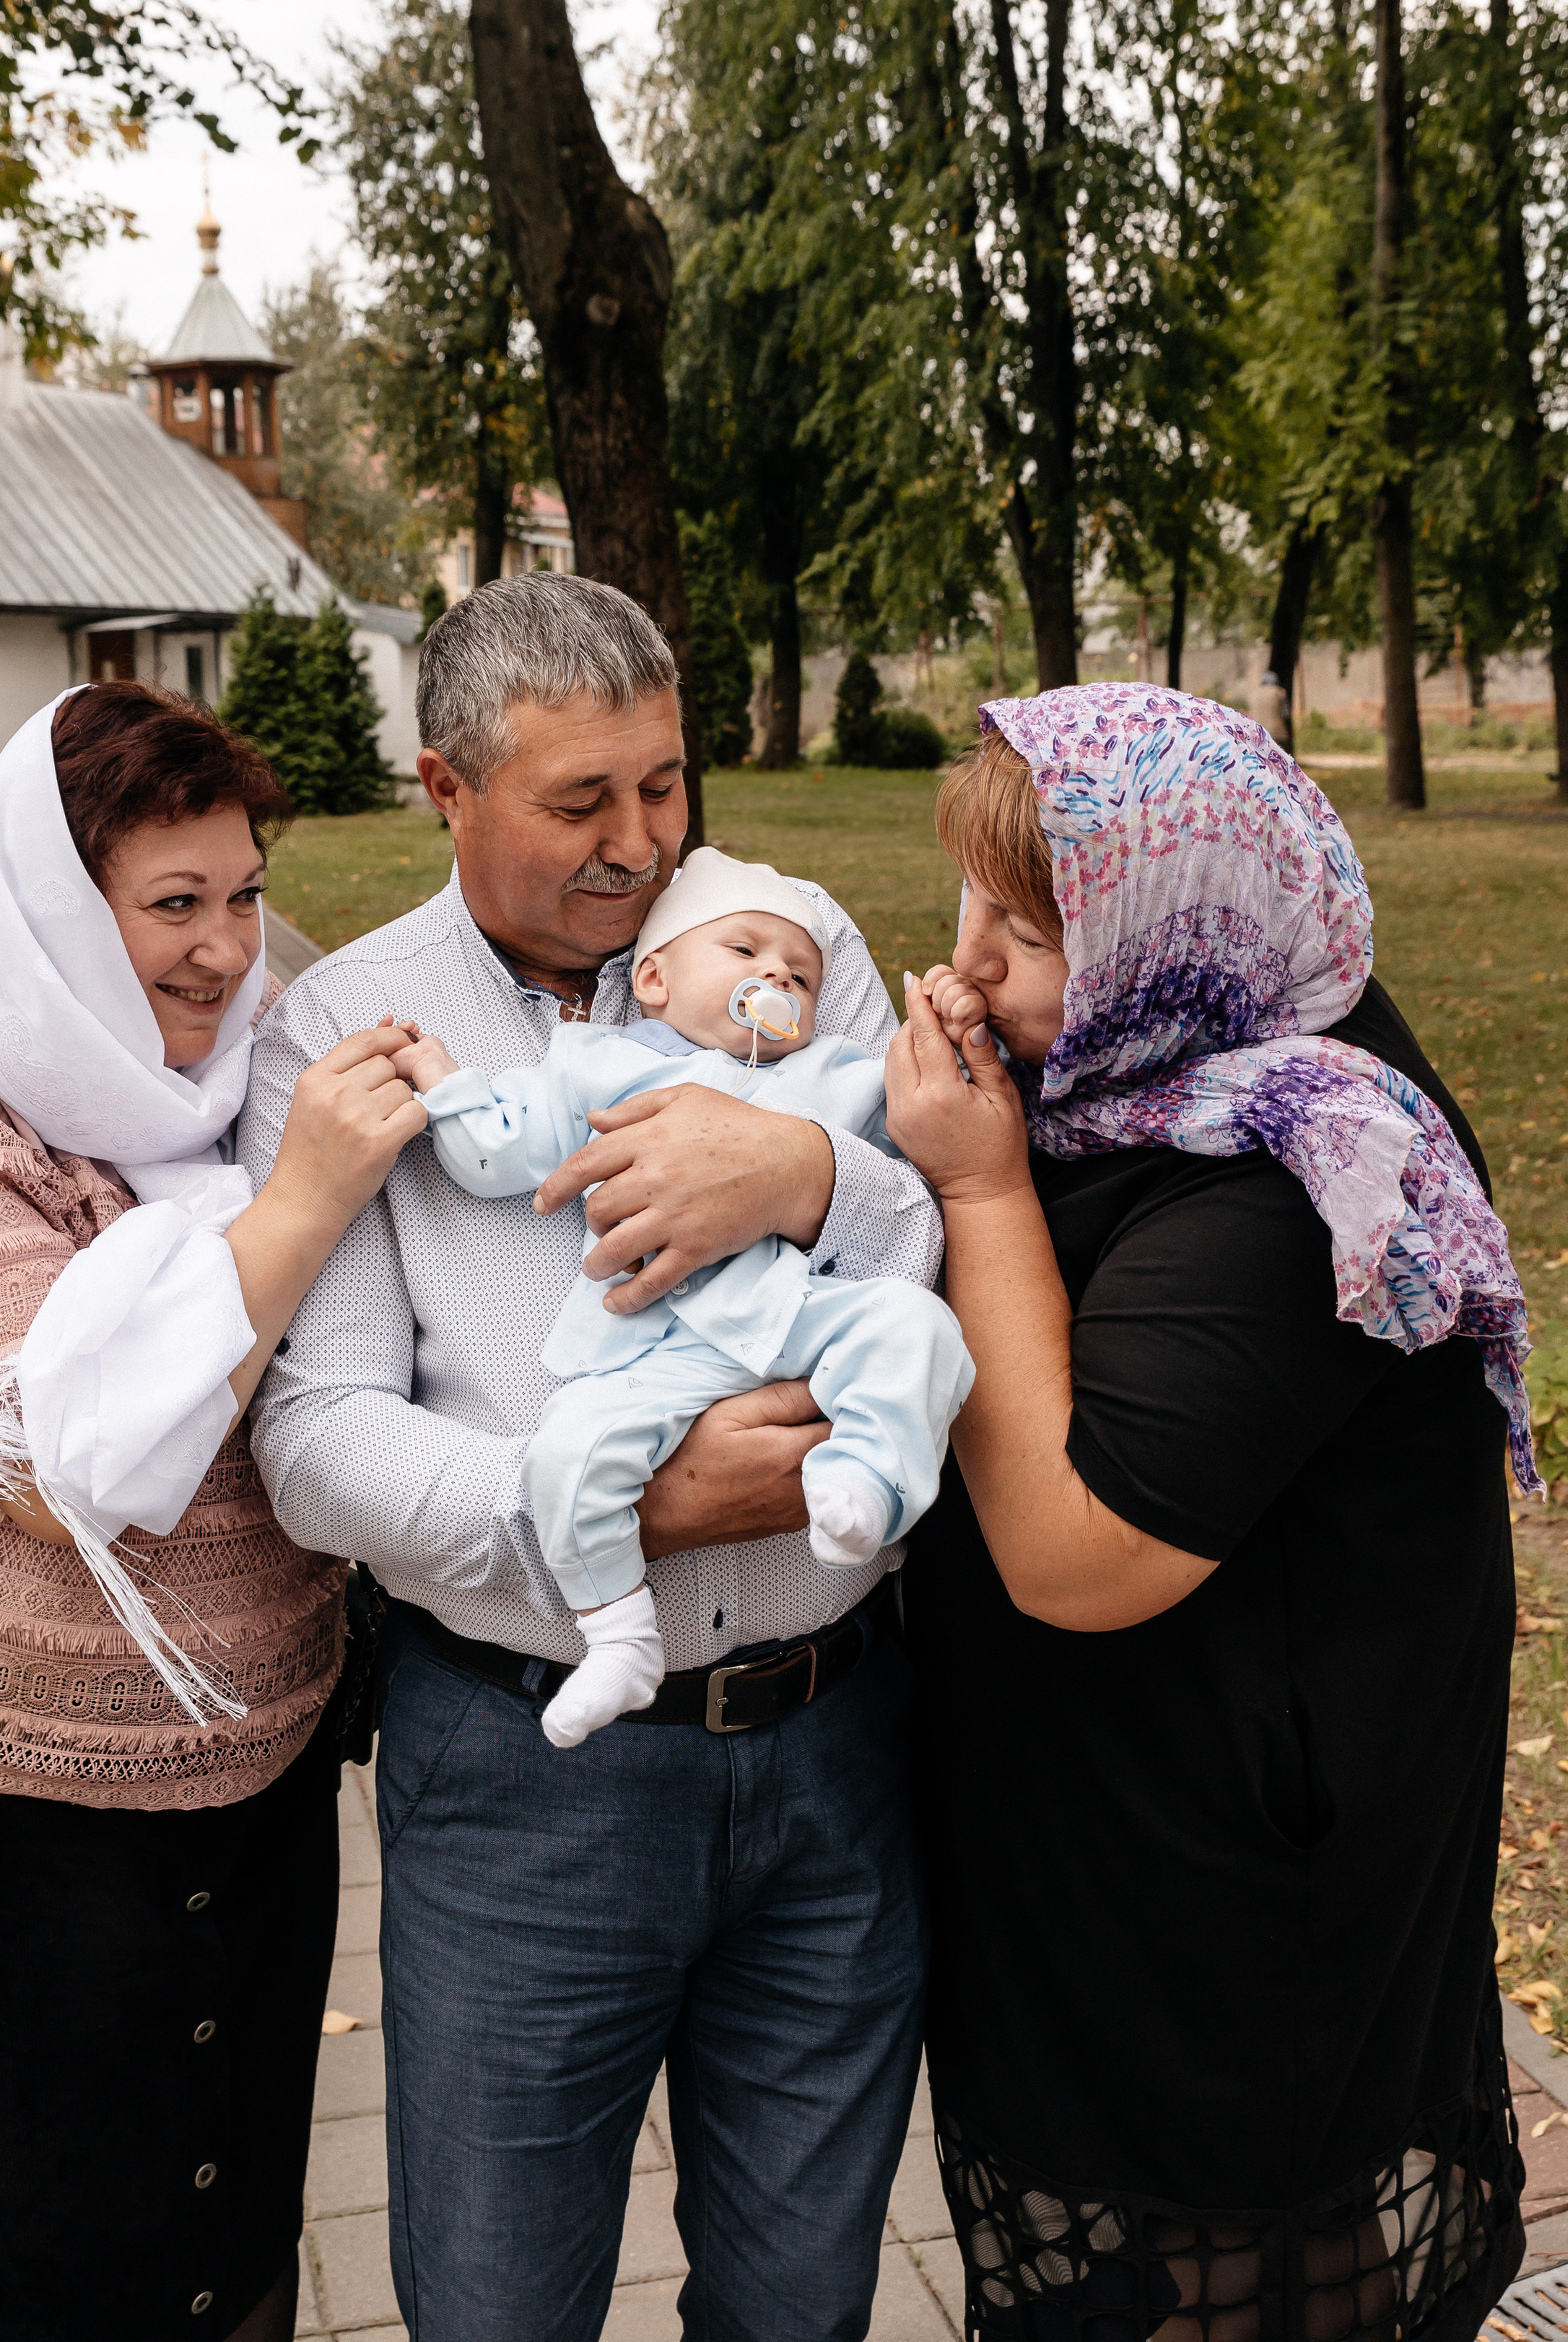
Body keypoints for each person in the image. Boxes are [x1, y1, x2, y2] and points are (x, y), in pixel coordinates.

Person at [242, 574, 945, 2342]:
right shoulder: (341, 1027)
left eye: (663, 781)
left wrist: (799, 1181)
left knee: (801, 2304)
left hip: (830, 1748)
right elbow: (313, 1441)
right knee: (496, 2304)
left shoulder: (784, 935)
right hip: (521, 1778)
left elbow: (933, 1228)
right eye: (579, 802)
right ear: (444, 789)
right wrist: (626, 1510)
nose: (640, 844)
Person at [883, 684, 1530, 2342]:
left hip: (1233, 1926)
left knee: (1252, 2271)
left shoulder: (1289, 1174)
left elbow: (1071, 1549)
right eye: (969, 909)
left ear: (1170, 944)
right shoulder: (1158, 1080)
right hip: (1131, 1867)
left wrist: (968, 1186)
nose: (963, 973)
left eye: (1023, 935)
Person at [0, 682, 426, 2342]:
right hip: (3, 1817)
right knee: (27, 2259)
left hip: (262, 1776)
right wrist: (300, 1198)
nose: (226, 949)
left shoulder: (238, 1081)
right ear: (49, 913)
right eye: (171, 903)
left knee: (228, 2258)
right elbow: (27, 1470)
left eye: (243, 892)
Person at [393, 843, 972, 1746]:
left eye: (799, 973)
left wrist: (949, 1039)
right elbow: (493, 1153)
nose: (775, 975)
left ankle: (865, 1478)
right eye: (743, 952)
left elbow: (914, 1169)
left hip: (792, 1318)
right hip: (654, 1346)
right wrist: (446, 1087)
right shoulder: (600, 1068)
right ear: (655, 980)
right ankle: (618, 1639)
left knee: (915, 1328)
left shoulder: (831, 1073)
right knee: (567, 1457)